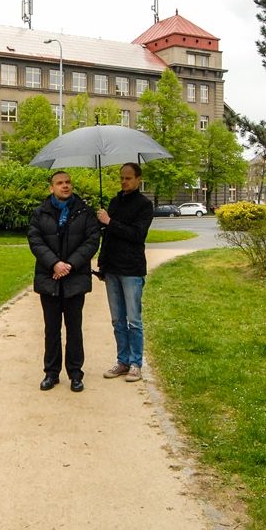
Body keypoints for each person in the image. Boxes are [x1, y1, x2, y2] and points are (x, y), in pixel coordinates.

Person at [27, 170, 101, 393]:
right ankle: (51, 373)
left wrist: (69, 264)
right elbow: (35, 241)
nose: (65, 186)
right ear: (52, 188)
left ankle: (76, 374)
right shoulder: (40, 213)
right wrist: (54, 264)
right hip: (49, 278)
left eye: (68, 182)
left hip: (75, 278)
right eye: (60, 183)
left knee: (74, 329)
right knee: (51, 329)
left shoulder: (85, 212)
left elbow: (91, 241)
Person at [97, 162, 155, 383]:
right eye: (121, 177)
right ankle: (122, 361)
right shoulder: (114, 202)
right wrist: (102, 264)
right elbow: (108, 237)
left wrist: (110, 222)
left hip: (131, 269)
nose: (124, 181)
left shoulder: (144, 205)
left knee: (134, 320)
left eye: (128, 178)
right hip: (112, 268)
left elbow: (137, 235)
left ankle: (135, 363)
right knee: (117, 320)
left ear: (138, 179)